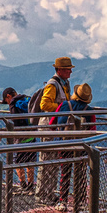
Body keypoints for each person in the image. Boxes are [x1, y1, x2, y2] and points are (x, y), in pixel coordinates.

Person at [32, 57, 77, 202]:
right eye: (68, 69)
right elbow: (45, 105)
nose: (70, 72)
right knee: (46, 162)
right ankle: (42, 195)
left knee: (53, 162)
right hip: (48, 127)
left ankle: (49, 194)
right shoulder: (53, 85)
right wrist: (63, 108)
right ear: (60, 70)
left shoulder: (64, 84)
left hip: (55, 128)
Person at [1, 86, 36, 188]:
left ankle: (23, 184)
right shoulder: (26, 100)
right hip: (31, 134)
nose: (7, 103)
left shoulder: (13, 104)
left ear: (8, 96)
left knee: (18, 162)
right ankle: (30, 185)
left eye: (6, 100)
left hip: (20, 138)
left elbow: (14, 121)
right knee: (30, 162)